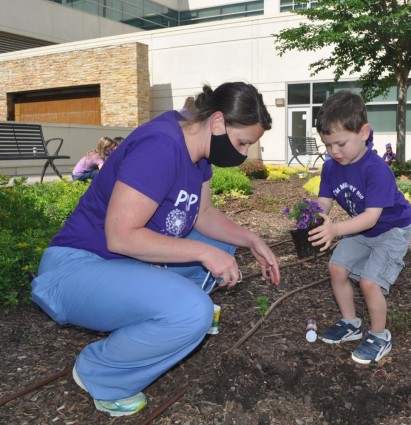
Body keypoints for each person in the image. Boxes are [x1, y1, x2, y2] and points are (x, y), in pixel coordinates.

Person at [31, 82, 281, 416]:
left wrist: (251, 239)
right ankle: (100, 373)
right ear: (218, 123)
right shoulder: (161, 146)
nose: (243, 153)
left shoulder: (198, 154)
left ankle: (159, 320)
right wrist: (203, 254)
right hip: (77, 269)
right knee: (194, 310)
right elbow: (120, 237)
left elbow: (203, 215)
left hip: (121, 265)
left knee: (221, 242)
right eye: (242, 142)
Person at [307, 91, 411, 365]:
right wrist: (315, 219)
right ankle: (350, 324)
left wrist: (335, 230)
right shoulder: (331, 168)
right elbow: (325, 201)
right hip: (361, 229)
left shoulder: (376, 169)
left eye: (340, 143)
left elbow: (372, 218)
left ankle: (379, 336)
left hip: (391, 231)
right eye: (328, 145)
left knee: (369, 282)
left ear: (364, 132)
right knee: (336, 268)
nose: (334, 151)